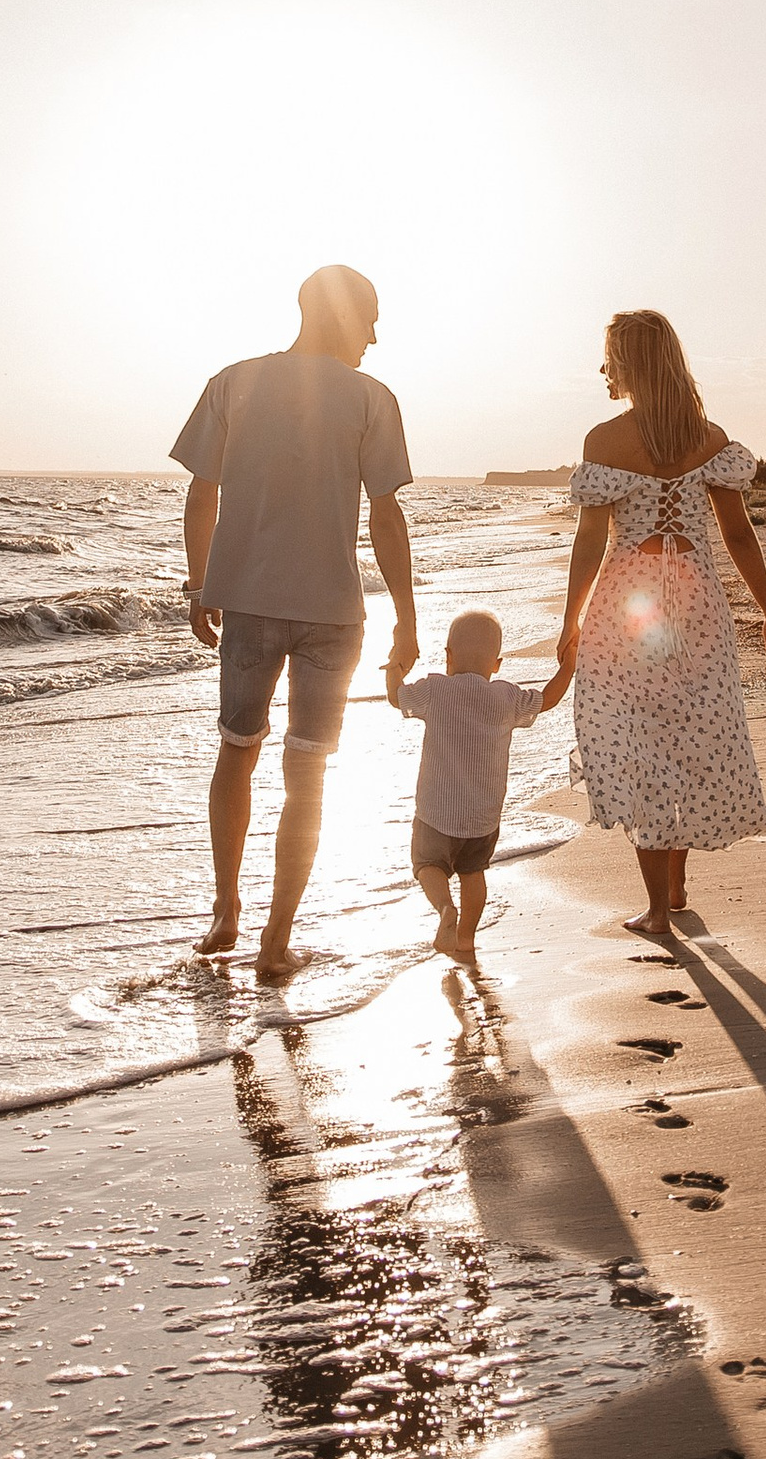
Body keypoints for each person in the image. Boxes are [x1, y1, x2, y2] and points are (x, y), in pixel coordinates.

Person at [172, 263, 418, 975]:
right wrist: (405, 617)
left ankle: (225, 910)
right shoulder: (373, 398)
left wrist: (201, 586)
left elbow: (200, 494)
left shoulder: (234, 382)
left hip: (247, 603)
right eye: (370, 318)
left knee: (238, 750)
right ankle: (276, 941)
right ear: (341, 315)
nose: (374, 336)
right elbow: (387, 516)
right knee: (306, 773)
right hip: (333, 616)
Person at [548, 305, 766, 935]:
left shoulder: (604, 440)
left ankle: (656, 909)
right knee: (686, 735)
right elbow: (737, 534)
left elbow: (591, 542)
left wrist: (570, 622)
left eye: (610, 358)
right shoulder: (709, 439)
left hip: (630, 608)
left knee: (638, 746)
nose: (603, 369)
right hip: (699, 605)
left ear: (631, 364)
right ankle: (674, 890)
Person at [395, 606, 568, 963]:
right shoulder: (507, 697)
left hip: (435, 812)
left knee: (428, 865)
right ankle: (466, 942)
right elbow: (547, 700)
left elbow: (397, 698)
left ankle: (444, 908)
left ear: (448, 656)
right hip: (482, 819)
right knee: (474, 875)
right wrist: (569, 666)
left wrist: (396, 666)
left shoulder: (434, 690)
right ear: (496, 664)